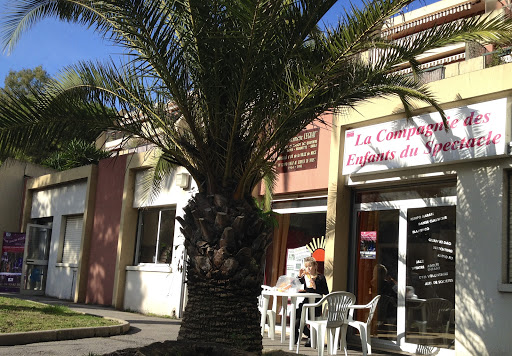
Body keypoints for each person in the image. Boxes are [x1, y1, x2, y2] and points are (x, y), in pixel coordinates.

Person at [294, 256, 329, 347]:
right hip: (306, 302)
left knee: (310, 318)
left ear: (315, 266)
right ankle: (297, 336)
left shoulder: (320, 277)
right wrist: (299, 276)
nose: (308, 268)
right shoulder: (305, 277)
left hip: (316, 303)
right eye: (306, 266)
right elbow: (295, 284)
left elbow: (326, 292)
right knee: (297, 316)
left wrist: (315, 287)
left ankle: (311, 337)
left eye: (310, 266)